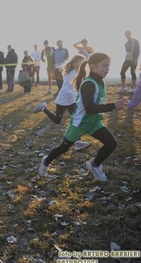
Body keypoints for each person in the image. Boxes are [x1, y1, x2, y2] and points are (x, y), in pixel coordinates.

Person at [37, 53, 128, 182]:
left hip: (94, 122)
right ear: (92, 66)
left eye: (109, 66)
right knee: (63, 148)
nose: (108, 69)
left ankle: (94, 165)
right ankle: (45, 161)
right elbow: (89, 108)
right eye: (104, 65)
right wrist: (113, 105)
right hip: (79, 123)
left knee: (111, 143)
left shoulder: (100, 82)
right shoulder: (88, 84)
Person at [33, 54, 92, 151]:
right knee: (57, 120)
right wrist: (77, 96)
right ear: (74, 63)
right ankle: (43, 108)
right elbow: (65, 88)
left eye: (83, 62)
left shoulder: (78, 72)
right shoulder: (71, 74)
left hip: (71, 101)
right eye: (80, 62)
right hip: (62, 100)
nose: (82, 64)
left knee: (76, 119)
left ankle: (78, 143)